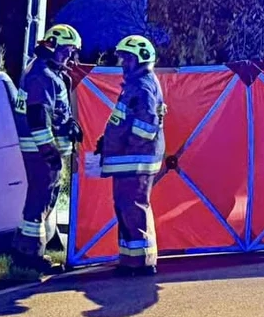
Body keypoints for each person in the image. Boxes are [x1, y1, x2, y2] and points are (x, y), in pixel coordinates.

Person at [11, 23, 82, 274]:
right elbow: (39, 119)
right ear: (52, 47)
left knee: (39, 199)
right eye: (66, 51)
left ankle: (22, 250)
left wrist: (69, 124)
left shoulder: (44, 71)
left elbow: (54, 112)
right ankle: (32, 255)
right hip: (41, 152)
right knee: (40, 200)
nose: (69, 57)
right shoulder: (42, 76)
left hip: (40, 150)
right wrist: (50, 153)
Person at [97, 35, 166, 276]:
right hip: (130, 159)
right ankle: (130, 261)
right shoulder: (137, 84)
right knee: (127, 209)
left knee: (133, 209)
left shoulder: (143, 85)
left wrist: (127, 146)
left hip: (135, 160)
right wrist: (108, 142)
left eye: (128, 58)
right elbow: (124, 121)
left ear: (142, 59)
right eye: (123, 58)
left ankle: (140, 263)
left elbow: (146, 125)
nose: (123, 63)